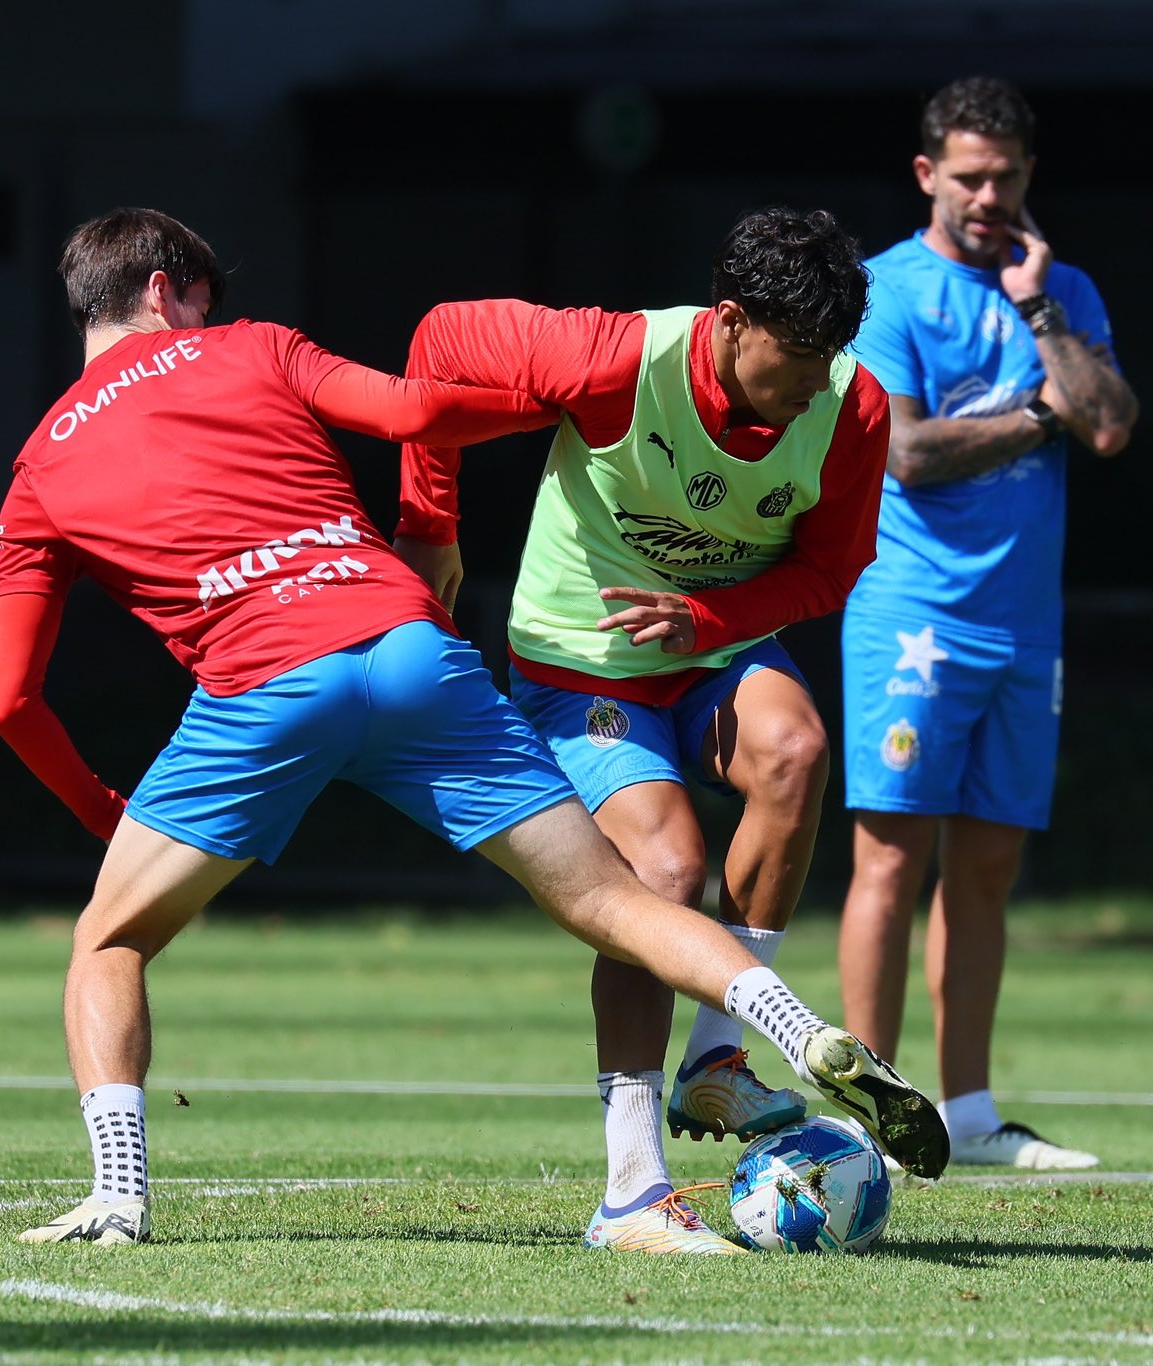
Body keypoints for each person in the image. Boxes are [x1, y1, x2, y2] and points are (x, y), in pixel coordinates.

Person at [0, 207, 946, 1248]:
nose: (207, 324)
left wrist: (102, 812)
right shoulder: (254, 347)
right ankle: (791, 1030)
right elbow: (410, 410)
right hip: (407, 645)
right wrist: (541, 421)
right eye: (203, 306)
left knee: (111, 934)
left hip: (264, 687)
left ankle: (119, 1196)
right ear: (169, 290)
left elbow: (10, 701)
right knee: (613, 897)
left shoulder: (37, 468)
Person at [396, 206, 920, 1251]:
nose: (817, 382)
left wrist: (710, 619)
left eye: (832, 356)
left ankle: (715, 1061)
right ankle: (630, 1191)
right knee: (664, 873)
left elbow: (832, 567)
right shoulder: (610, 358)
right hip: (578, 667)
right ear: (730, 322)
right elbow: (438, 343)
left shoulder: (848, 406)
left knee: (795, 751)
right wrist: (426, 524)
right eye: (799, 355)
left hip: (715, 648)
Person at [836, 78, 1139, 1171]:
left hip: (1020, 626)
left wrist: (1039, 310)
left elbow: (1105, 424)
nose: (987, 195)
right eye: (967, 176)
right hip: (911, 615)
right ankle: (871, 1104)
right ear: (926, 174)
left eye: (1005, 176)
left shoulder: (1058, 290)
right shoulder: (885, 291)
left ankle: (967, 1112)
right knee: (888, 860)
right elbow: (906, 452)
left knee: (987, 870)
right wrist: (1033, 419)